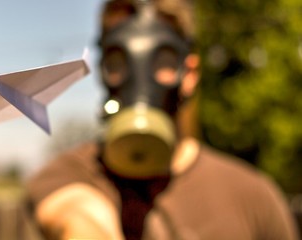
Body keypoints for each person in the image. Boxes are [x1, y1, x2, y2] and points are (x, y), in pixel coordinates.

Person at [26, 0, 300, 239]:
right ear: (103, 70)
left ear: (189, 74)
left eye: (161, 61)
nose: (138, 79)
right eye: (118, 61)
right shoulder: (71, 174)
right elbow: (79, 215)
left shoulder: (254, 199)